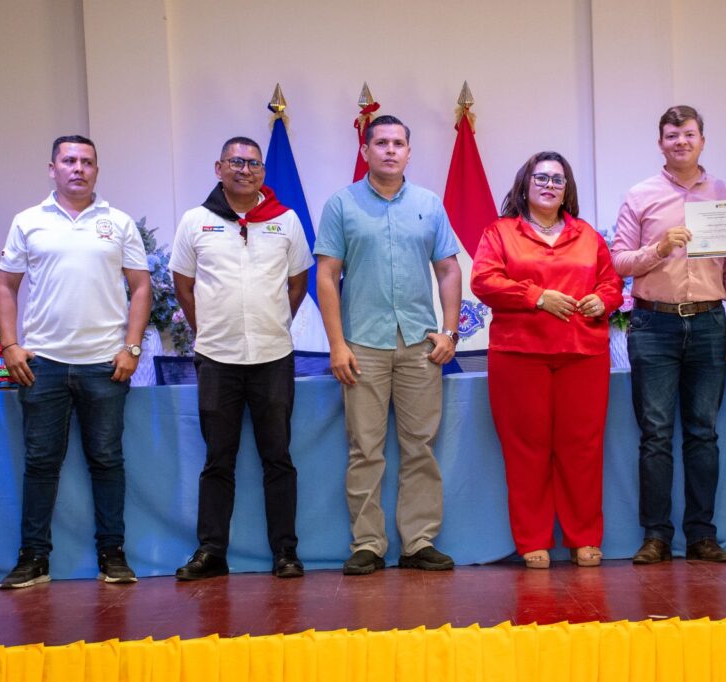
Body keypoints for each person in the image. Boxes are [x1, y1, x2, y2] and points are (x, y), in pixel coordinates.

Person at [0, 135, 150, 588]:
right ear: (52, 168)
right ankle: (33, 560)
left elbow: (140, 286)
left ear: (97, 170)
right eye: (69, 161)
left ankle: (113, 556)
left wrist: (132, 347)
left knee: (106, 460)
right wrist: (10, 346)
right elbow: (6, 287)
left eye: (86, 162)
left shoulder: (118, 222)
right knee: (41, 463)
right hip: (41, 365)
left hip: (106, 364)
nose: (78, 168)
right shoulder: (28, 222)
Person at [314, 115, 462, 576]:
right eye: (381, 143)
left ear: (409, 152)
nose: (391, 150)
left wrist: (450, 331)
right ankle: (369, 544)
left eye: (399, 143)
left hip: (420, 344)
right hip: (363, 346)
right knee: (366, 449)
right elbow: (325, 275)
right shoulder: (342, 204)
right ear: (366, 150)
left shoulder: (428, 204)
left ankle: (418, 542)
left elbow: (449, 270)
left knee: (420, 446)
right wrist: (336, 344)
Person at [611, 106, 726, 565]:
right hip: (654, 325)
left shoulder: (725, 195)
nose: (681, 142)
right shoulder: (640, 195)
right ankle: (655, 535)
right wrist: (659, 248)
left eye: (689, 135)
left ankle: (701, 535)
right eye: (672, 135)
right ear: (661, 143)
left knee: (703, 434)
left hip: (710, 324)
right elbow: (618, 263)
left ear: (702, 140)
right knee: (655, 435)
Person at [170, 136, 313, 580]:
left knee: (278, 458)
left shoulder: (285, 221)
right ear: (219, 167)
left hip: (273, 356)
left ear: (263, 173)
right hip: (217, 358)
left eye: (253, 164)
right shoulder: (195, 221)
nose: (245, 170)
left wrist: (271, 324)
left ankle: (285, 553)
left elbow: (297, 285)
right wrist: (210, 331)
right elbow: (183, 286)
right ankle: (211, 552)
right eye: (236, 162)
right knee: (218, 460)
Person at [471, 151, 622, 569]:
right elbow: (484, 280)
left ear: (567, 189)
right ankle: (532, 539)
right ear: (525, 184)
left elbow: (612, 283)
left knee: (583, 449)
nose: (550, 185)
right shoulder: (500, 232)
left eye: (558, 179)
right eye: (542, 178)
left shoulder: (588, 235)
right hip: (520, 355)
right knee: (526, 450)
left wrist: (602, 300)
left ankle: (584, 537)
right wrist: (537, 297)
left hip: (583, 355)